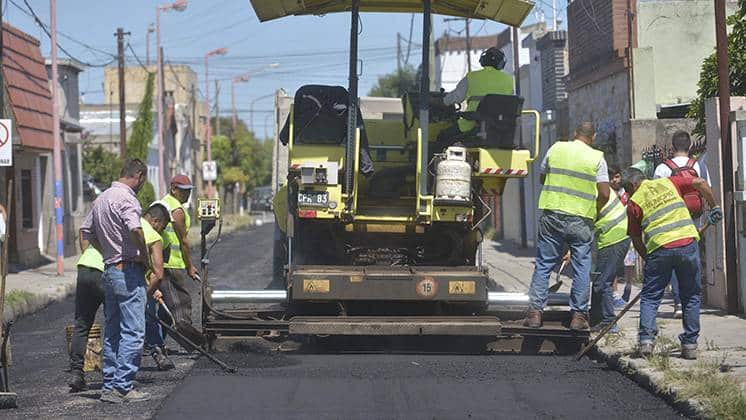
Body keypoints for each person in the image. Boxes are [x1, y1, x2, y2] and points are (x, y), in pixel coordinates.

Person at [621, 167, 722, 360]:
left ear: (634, 184)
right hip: (687, 245)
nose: (627, 193)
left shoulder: (634, 202)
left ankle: (646, 342)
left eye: (627, 189)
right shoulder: (670, 182)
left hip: (660, 250)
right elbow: (700, 183)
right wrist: (714, 206)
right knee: (691, 295)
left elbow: (636, 239)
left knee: (651, 297)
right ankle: (690, 345)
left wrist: (649, 258)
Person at [524, 122, 610, 330]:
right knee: (582, 267)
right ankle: (579, 317)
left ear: (575, 133)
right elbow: (605, 193)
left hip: (552, 214)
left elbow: (543, 177)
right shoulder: (597, 158)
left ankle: (535, 313)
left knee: (544, 264)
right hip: (580, 218)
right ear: (594, 137)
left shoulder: (556, 148)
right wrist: (594, 209)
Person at [80, 159, 151, 403]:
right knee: (133, 331)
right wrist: (144, 256)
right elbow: (136, 229)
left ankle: (109, 386)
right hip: (128, 271)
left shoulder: (101, 199)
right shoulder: (127, 198)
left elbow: (86, 231)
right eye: (143, 180)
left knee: (112, 331)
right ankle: (123, 386)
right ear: (139, 176)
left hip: (110, 270)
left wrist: (107, 253)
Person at [653, 130, 709, 318]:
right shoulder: (698, 165)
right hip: (694, 217)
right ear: (690, 145)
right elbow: (705, 188)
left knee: (675, 261)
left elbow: (656, 195)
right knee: (692, 259)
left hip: (672, 220)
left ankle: (678, 303)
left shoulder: (663, 168)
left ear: (673, 146)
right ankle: (692, 301)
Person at [152, 175, 200, 347]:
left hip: (159, 262)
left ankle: (156, 344)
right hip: (171, 264)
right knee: (182, 302)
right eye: (184, 191)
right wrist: (190, 266)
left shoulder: (162, 203)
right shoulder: (177, 210)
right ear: (174, 189)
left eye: (189, 191)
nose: (187, 195)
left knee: (165, 308)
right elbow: (184, 241)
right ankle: (190, 342)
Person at [436, 47, 514, 148]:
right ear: (501, 63)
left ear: (483, 61)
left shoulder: (471, 77)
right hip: (500, 129)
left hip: (471, 127)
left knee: (442, 136)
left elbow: (454, 98)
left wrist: (437, 101)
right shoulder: (509, 80)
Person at [590, 166, 630, 333]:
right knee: (600, 280)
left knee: (603, 282)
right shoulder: (598, 186)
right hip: (616, 234)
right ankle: (595, 318)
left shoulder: (591, 191)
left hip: (613, 236)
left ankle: (608, 322)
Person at [67, 235, 105, 392]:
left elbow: (83, 231)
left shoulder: (99, 213)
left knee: (82, 324)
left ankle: (76, 373)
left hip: (85, 265)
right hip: (105, 269)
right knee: (114, 322)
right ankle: (115, 374)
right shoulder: (129, 218)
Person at [141, 203, 175, 371]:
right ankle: (157, 351)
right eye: (163, 226)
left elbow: (144, 265)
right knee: (149, 316)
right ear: (155, 221)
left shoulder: (132, 224)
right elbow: (157, 272)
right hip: (132, 281)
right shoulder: (152, 236)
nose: (163, 230)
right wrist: (148, 291)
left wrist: (152, 287)